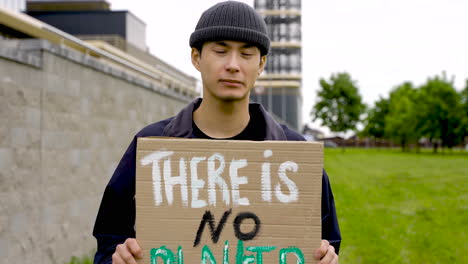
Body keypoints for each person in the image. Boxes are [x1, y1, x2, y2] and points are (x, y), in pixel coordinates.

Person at [93, 1, 341, 263]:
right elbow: (109, 240)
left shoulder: (292, 152)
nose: (233, 65)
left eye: (246, 54)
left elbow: (326, 240)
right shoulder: (154, 146)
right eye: (221, 51)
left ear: (261, 64)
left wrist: (327, 256)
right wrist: (116, 259)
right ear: (196, 57)